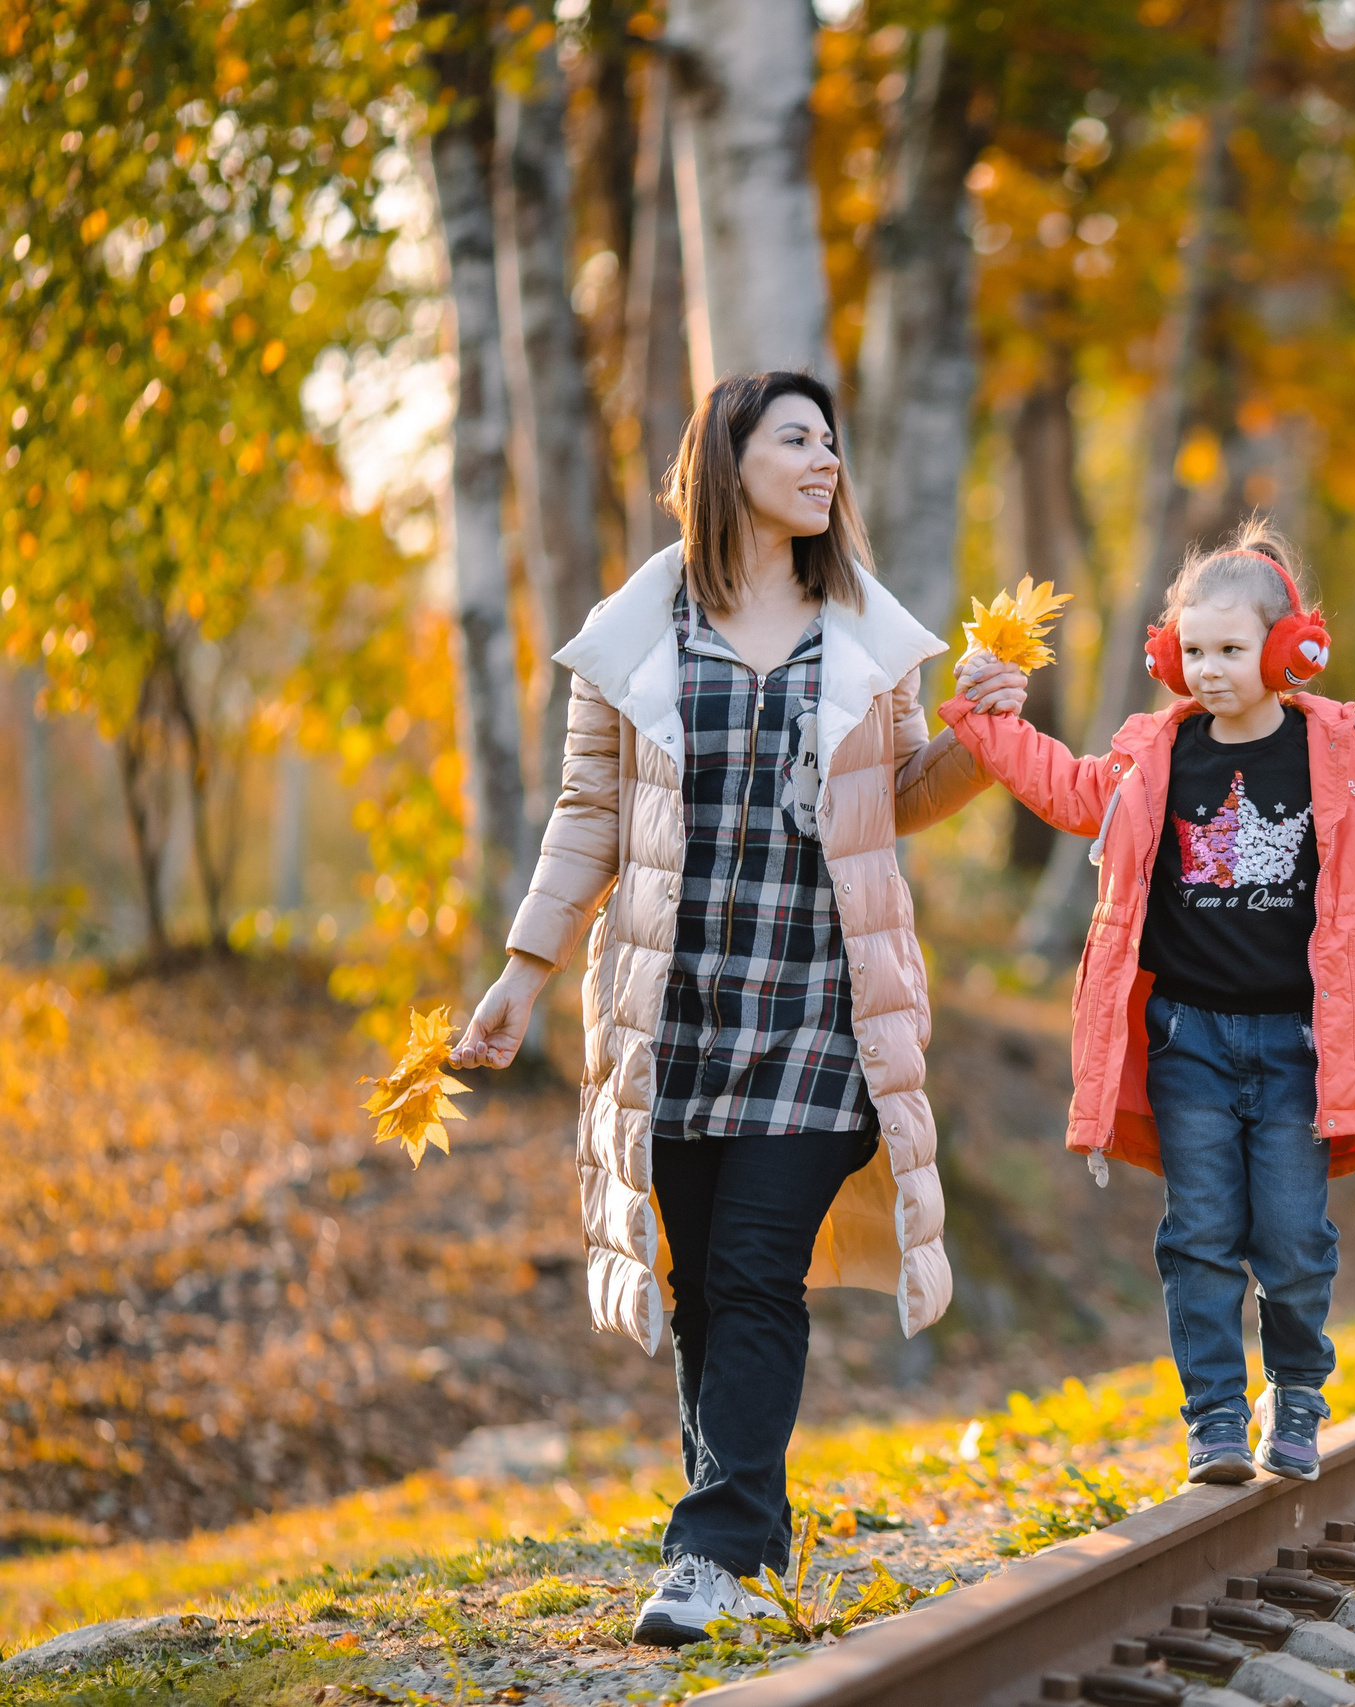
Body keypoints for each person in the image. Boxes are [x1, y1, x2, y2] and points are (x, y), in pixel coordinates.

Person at [449, 371, 988, 1646]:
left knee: (754, 1269)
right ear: (727, 456)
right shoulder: (636, 634)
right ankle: (756, 1530)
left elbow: (899, 797)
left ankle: (709, 1551)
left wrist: (980, 737)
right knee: (698, 1283)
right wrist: (520, 975)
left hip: (821, 1000)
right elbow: (587, 814)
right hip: (675, 1007)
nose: (824, 462)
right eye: (796, 439)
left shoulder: (865, 630)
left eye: (833, 444)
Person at [947, 520, 1355, 1484]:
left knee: (1294, 1241)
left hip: (1303, 1045)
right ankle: (1214, 1415)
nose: (1210, 670)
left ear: (1290, 648)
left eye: (1231, 649)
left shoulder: (1350, 754)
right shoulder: (1152, 758)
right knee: (1200, 1234)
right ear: (1169, 652)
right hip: (1189, 1042)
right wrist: (986, 720)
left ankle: (1295, 1391)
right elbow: (1062, 788)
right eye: (1194, 650)